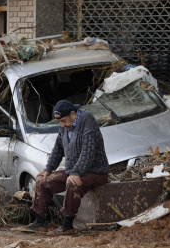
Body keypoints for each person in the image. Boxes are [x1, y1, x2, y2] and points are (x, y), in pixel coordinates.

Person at [27, 100, 109, 235]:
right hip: (73, 171)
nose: (62, 125)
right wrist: (48, 168)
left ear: (72, 114)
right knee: (42, 180)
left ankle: (67, 225)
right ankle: (39, 222)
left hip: (95, 172)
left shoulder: (87, 120)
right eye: (60, 122)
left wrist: (76, 172)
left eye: (64, 121)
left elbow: (88, 151)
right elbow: (58, 148)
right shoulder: (64, 126)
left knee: (72, 183)